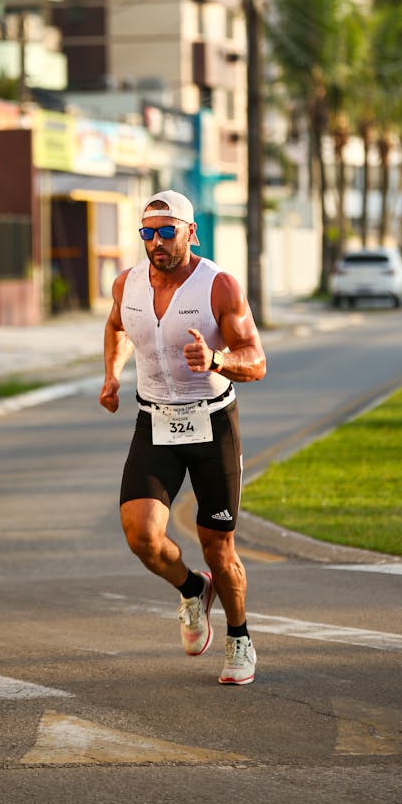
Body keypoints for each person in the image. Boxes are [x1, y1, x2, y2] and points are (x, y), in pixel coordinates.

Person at [99, 189, 267, 685]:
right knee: (143, 537)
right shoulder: (126, 285)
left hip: (212, 422)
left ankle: (240, 637)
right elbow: (116, 328)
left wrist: (217, 360)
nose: (156, 243)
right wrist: (111, 375)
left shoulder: (219, 286)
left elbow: (256, 359)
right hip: (154, 419)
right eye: (147, 233)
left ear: (190, 232)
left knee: (219, 545)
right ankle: (194, 590)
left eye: (166, 232)